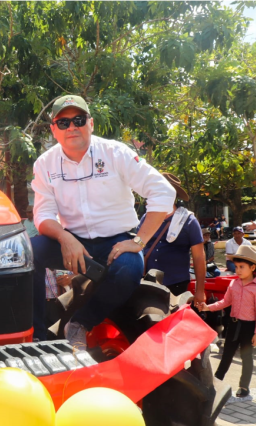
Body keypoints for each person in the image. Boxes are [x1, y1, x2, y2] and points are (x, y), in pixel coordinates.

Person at [30, 95, 175, 345]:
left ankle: (80, 323)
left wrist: (139, 241)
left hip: (116, 242)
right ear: (54, 130)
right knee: (28, 253)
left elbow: (163, 192)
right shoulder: (45, 164)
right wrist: (65, 238)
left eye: (78, 120)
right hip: (73, 243)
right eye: (63, 123)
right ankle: (36, 336)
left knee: (130, 268)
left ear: (91, 123)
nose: (72, 127)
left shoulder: (115, 153)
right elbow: (42, 215)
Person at [198, 245, 256, 398]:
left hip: (249, 327)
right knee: (227, 355)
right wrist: (207, 308)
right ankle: (216, 382)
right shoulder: (233, 284)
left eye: (242, 267)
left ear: (253, 267)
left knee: (246, 357)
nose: (238, 270)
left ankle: (244, 386)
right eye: (236, 267)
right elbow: (224, 302)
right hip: (233, 324)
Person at [139, 173, 206, 298]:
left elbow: (199, 257)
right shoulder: (146, 218)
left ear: (172, 194)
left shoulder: (188, 220)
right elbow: (138, 244)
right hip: (148, 282)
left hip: (176, 284)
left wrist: (200, 290)